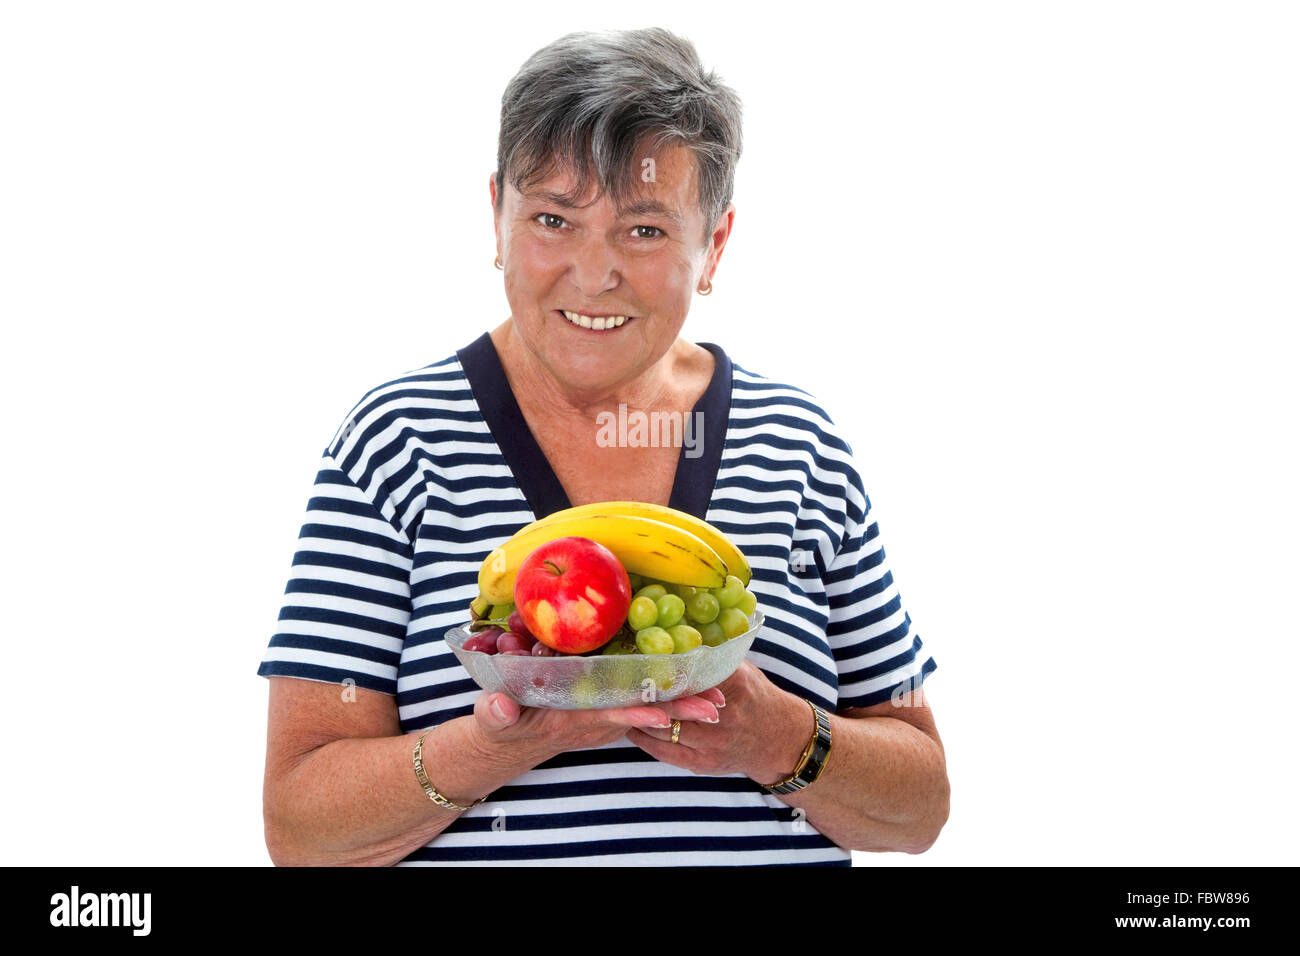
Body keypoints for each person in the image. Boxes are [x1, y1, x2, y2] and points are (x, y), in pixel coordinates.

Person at [258, 27, 948, 866]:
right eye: (553, 218)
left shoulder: (801, 444)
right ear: (497, 216)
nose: (592, 275)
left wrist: (776, 740)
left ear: (715, 246)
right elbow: (299, 828)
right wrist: (500, 745)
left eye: (646, 230)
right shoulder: (395, 442)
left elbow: (919, 808)